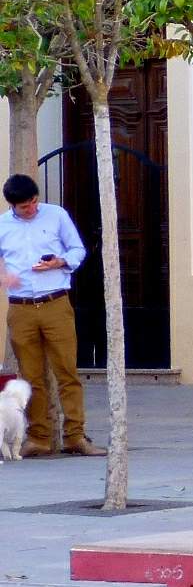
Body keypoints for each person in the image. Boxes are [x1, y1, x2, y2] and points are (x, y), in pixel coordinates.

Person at [0, 174, 103, 457]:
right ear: (12, 206)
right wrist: (4, 276)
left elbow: (78, 249)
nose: (31, 209)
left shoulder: (56, 215)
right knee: (31, 376)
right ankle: (39, 437)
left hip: (55, 301)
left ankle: (75, 436)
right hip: (21, 307)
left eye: (34, 202)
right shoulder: (3, 225)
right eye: (24, 206)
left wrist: (61, 262)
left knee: (67, 371)